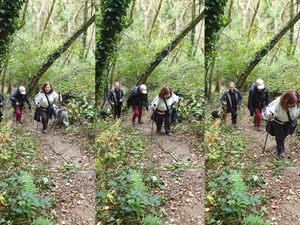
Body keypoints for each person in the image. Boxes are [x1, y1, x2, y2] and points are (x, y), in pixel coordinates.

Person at [263, 90, 300, 158]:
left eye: (294, 103)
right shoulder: (278, 102)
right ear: (286, 101)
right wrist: (268, 114)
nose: (293, 105)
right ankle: (280, 150)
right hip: (278, 122)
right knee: (279, 136)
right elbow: (266, 110)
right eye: (291, 104)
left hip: (290, 121)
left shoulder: (298, 101)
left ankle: (281, 143)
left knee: (285, 134)